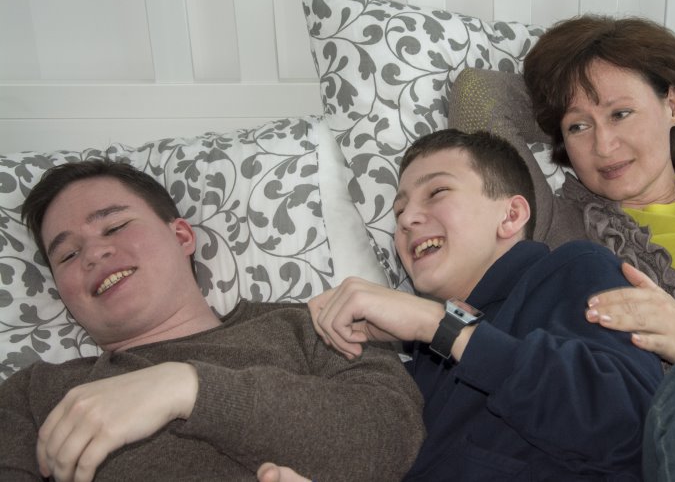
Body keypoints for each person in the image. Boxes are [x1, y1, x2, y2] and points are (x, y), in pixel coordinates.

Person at [453, 14, 675, 480]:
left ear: (672, 105)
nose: (604, 144)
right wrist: (558, 104)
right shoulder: (551, 221)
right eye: (579, 127)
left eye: (620, 114)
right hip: (649, 448)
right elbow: (477, 94)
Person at [0, 159, 425, 482]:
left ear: (182, 236)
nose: (94, 254)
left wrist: (189, 389)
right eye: (68, 255)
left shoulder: (313, 323)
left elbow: (391, 438)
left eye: (114, 227)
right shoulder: (33, 395)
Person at [305, 129, 664, 480]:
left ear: (510, 216)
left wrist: (442, 325)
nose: (407, 220)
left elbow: (632, 428)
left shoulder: (575, 269)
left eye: (437, 192)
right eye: (399, 212)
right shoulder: (421, 366)